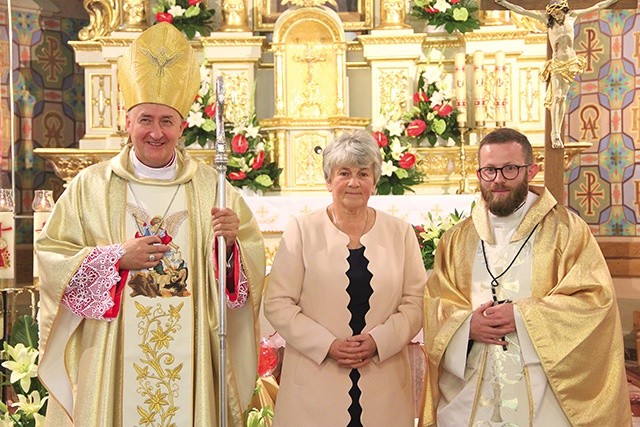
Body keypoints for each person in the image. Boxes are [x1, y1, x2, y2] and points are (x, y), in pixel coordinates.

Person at [36, 23, 265, 426]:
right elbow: (53, 258)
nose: (155, 132)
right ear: (127, 122)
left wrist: (229, 246)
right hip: (114, 350)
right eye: (146, 119)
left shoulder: (212, 188)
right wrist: (116, 258)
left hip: (191, 349)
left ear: (181, 126)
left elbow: (243, 273)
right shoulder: (91, 187)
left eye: (166, 121)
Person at [422, 127, 631, 426]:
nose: (499, 180)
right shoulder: (458, 238)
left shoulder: (566, 231)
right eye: (489, 171)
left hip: (542, 387)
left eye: (510, 169)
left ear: (531, 170)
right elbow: (435, 302)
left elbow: (595, 301)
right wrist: (467, 325)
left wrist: (522, 317)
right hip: (472, 385)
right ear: (479, 172)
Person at [264, 130, 427, 426]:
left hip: (384, 382)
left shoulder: (400, 232)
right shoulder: (302, 230)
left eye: (363, 173)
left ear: (374, 181)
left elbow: (416, 301)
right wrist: (327, 344)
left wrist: (378, 341)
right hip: (314, 386)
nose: (354, 182)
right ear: (329, 181)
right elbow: (278, 303)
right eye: (344, 173)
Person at [495, 0, 618, 148]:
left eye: (559, 13)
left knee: (563, 97)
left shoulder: (572, 16)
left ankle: (557, 131)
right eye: (554, 14)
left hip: (571, 62)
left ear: (563, 10)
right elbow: (522, 11)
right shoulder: (547, 21)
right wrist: (504, 3)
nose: (557, 16)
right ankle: (555, 133)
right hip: (557, 64)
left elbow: (597, 6)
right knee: (557, 97)